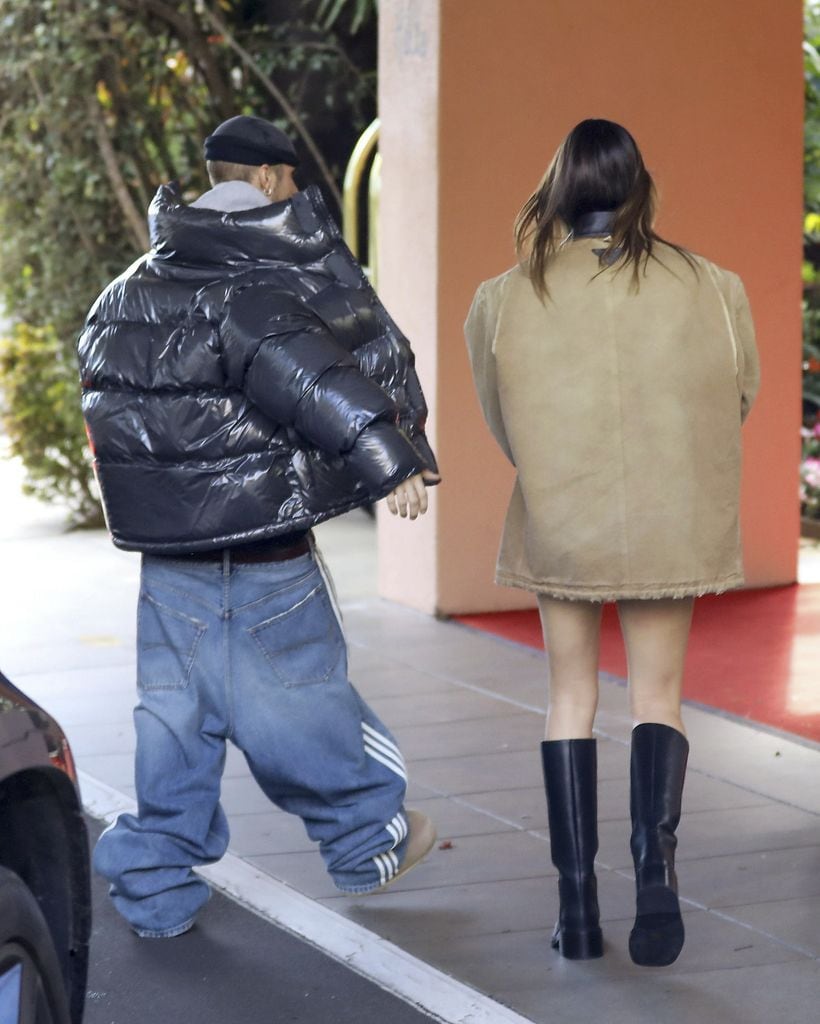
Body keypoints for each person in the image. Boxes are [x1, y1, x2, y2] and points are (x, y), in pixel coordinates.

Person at [77, 115, 441, 938]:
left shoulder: (124, 291)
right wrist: (395, 457)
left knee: (174, 723)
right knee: (306, 704)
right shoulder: (250, 286)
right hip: (263, 549)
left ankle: (157, 886)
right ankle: (366, 842)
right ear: (276, 181)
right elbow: (304, 373)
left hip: (169, 566)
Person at [464, 119, 759, 967]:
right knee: (657, 699)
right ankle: (655, 877)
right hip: (671, 512)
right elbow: (738, 394)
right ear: (639, 188)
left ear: (559, 191)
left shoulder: (505, 295)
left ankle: (578, 908)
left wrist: (555, 465)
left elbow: (502, 417)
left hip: (564, 513)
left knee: (570, 698)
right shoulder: (712, 285)